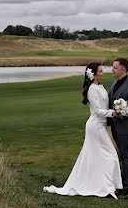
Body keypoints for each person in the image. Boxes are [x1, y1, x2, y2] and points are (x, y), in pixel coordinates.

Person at [43, 62, 123, 198]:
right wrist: (113, 113)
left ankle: (106, 185)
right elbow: (97, 111)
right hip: (96, 126)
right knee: (111, 154)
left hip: (101, 125)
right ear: (95, 74)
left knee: (97, 156)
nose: (104, 73)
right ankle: (109, 187)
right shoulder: (92, 89)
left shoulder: (99, 86)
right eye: (101, 71)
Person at [107, 57, 128, 194]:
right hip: (115, 126)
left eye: (115, 67)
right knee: (125, 154)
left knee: (125, 155)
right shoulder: (115, 83)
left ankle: (126, 186)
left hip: (125, 127)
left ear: (123, 69)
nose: (112, 70)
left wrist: (124, 112)